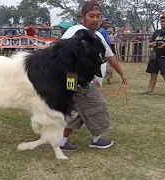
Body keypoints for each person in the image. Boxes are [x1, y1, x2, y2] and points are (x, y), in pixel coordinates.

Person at [59, 1, 127, 151]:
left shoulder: (96, 35)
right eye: (92, 16)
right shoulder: (76, 30)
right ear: (83, 17)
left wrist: (121, 73)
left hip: (77, 80)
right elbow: (61, 53)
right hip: (78, 80)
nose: (96, 19)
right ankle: (96, 140)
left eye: (98, 16)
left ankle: (61, 142)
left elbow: (109, 55)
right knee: (97, 105)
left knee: (77, 112)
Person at [144, 14, 165, 99]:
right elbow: (149, 44)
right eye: (162, 21)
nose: (163, 23)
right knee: (153, 74)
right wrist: (151, 44)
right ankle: (150, 91)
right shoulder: (157, 32)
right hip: (155, 56)